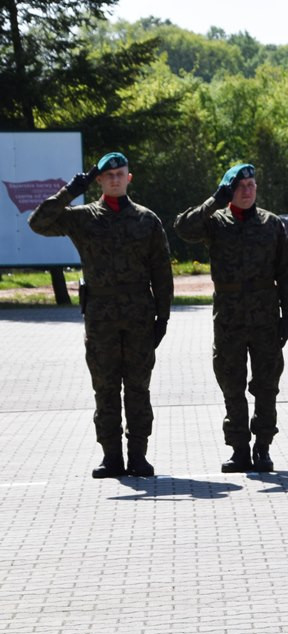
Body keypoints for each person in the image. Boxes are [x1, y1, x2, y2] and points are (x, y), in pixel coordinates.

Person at [29, 152, 172, 478]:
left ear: (129, 178)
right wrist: (67, 191)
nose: (116, 179)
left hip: (138, 316)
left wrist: (162, 317)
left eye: (121, 174)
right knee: (105, 388)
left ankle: (138, 456)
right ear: (99, 181)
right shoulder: (84, 218)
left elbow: (161, 272)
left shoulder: (147, 220)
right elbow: (38, 223)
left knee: (138, 388)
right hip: (101, 318)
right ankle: (111, 457)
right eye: (109, 176)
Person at [174, 163, 288, 473]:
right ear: (229, 190)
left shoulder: (271, 224)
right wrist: (215, 200)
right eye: (240, 185)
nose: (247, 190)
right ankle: (239, 449)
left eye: (251, 184)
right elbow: (183, 229)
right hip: (229, 316)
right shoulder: (216, 222)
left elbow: (286, 271)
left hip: (265, 315)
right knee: (232, 383)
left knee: (267, 385)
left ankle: (263, 447)